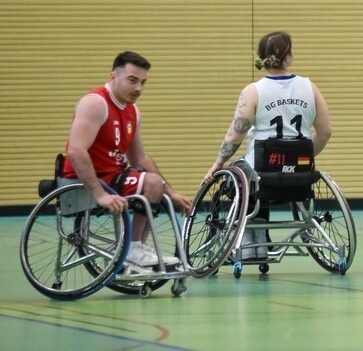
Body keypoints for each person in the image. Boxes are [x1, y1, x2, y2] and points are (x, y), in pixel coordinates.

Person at [204, 32, 332, 260]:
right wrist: (302, 159)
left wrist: (218, 163)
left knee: (237, 172)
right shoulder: (310, 88)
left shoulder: (253, 91)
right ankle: (261, 237)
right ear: (289, 57)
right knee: (253, 173)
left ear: (261, 58)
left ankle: (249, 238)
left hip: (261, 173)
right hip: (299, 176)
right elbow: (325, 132)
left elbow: (235, 135)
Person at [61, 51, 192, 269]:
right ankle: (132, 248)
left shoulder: (133, 111)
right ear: (113, 76)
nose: (138, 88)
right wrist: (100, 194)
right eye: (132, 80)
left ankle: (136, 246)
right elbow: (76, 151)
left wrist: (171, 192)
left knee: (154, 183)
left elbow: (139, 158)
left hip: (113, 177)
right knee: (150, 182)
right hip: (84, 180)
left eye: (143, 82)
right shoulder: (95, 103)